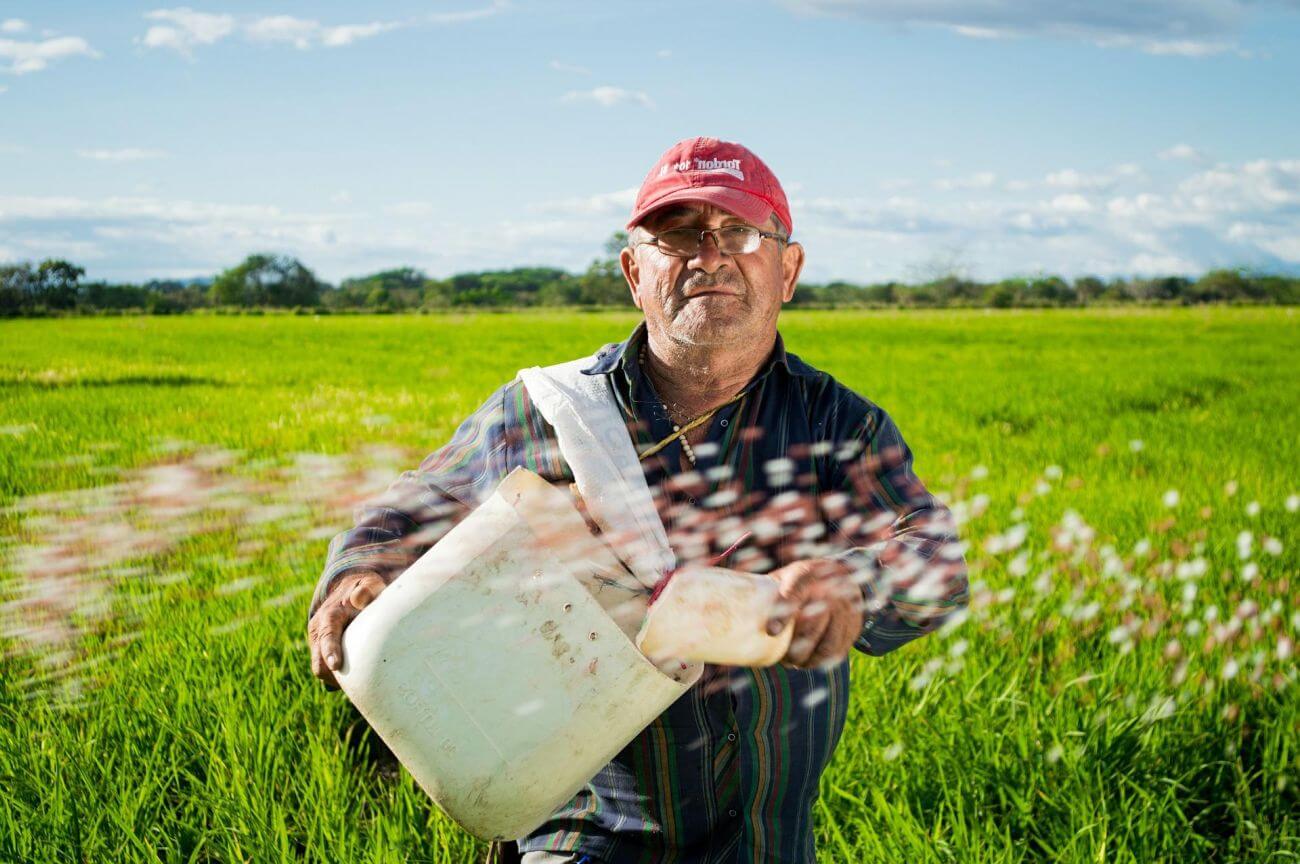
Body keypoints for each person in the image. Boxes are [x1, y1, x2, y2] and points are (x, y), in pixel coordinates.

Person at [306, 136, 969, 864]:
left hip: (768, 839)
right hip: (582, 830)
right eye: (678, 234)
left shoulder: (837, 425)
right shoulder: (554, 410)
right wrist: (358, 571)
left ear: (788, 270)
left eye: (741, 232)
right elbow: (422, 500)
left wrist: (854, 584)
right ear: (634, 273)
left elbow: (936, 561)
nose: (709, 256)